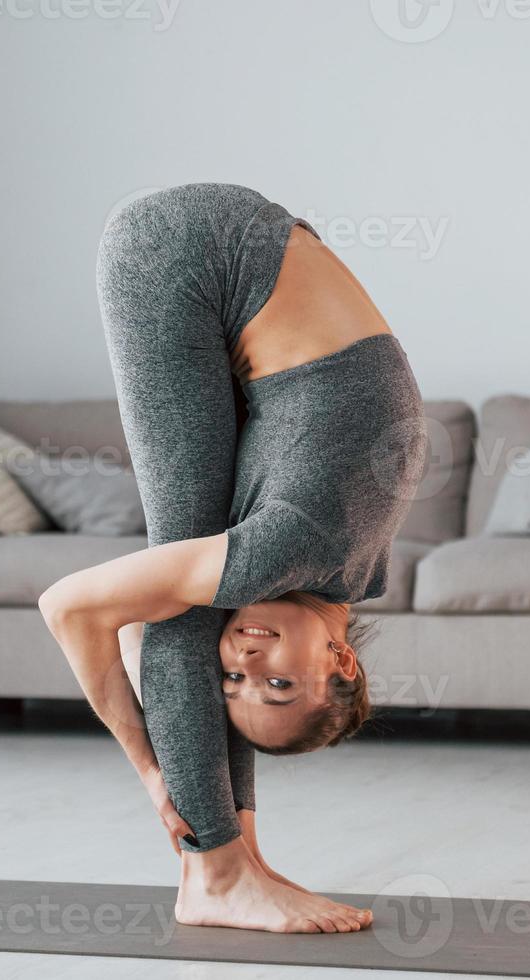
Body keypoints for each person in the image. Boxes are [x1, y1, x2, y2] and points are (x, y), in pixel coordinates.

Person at [39, 183, 427, 933]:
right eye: (278, 681)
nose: (246, 655)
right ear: (343, 661)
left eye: (236, 680)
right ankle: (213, 876)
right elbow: (70, 608)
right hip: (190, 254)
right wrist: (154, 775)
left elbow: (132, 631)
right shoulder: (291, 548)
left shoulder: (349, 571)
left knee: (189, 603)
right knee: (187, 608)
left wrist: (220, 804)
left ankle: (240, 856)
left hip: (243, 246)